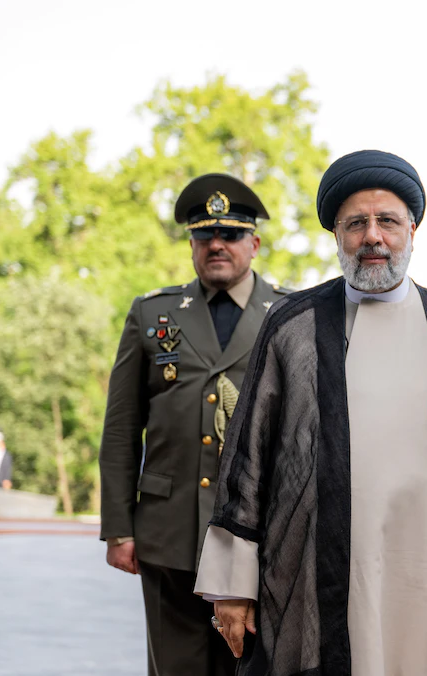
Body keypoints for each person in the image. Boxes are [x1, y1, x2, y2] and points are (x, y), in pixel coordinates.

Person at [194, 150, 427, 676]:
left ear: (412, 230)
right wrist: (233, 585)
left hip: (424, 588)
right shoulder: (293, 327)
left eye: (387, 221)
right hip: (312, 576)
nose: (372, 237)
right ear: (336, 235)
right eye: (355, 224)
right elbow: (250, 457)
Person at [98, 173, 291, 676]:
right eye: (205, 235)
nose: (217, 245)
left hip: (261, 536)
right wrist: (118, 528)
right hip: (170, 532)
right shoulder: (153, 313)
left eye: (230, 234)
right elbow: (122, 428)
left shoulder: (290, 315)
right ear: (191, 245)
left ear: (254, 243)